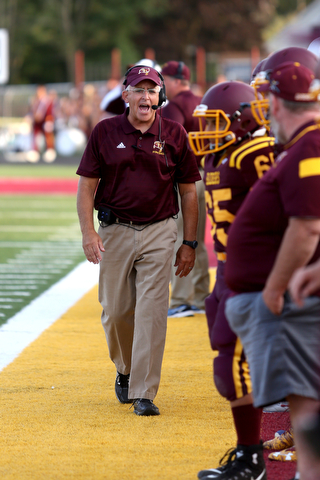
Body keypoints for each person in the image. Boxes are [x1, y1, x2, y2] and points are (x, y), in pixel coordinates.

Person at [76, 65, 201, 416]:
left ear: (160, 96)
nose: (145, 96)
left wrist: (188, 243)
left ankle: (144, 390)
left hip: (161, 230)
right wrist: (88, 232)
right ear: (126, 95)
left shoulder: (175, 133)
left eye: (152, 90)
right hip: (115, 230)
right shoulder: (105, 130)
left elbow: (188, 193)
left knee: (152, 313)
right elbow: (87, 186)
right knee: (116, 311)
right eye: (139, 89)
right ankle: (126, 368)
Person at [225, 61, 320, 480]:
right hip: (284, 291)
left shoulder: (309, 147)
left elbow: (307, 225)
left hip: (285, 297)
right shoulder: (302, 146)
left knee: (307, 402)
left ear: (277, 101)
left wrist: (273, 288)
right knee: (304, 403)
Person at [187, 80, 275, 480]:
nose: (206, 134)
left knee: (237, 365)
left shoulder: (258, 152)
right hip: (227, 268)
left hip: (255, 270)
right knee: (229, 359)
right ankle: (249, 454)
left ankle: (251, 458)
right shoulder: (221, 155)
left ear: (241, 120)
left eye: (215, 123)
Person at [161, 60, 210, 317]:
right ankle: (202, 296)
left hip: (185, 179)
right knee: (198, 240)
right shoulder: (203, 101)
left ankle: (181, 298)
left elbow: (171, 139)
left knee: (183, 238)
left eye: (165, 79)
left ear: (177, 81)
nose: (162, 84)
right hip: (206, 175)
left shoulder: (175, 106)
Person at [28, 84, 56, 163]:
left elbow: (50, 112)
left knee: (48, 135)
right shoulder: (35, 101)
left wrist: (49, 120)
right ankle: (35, 150)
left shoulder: (47, 101)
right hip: (37, 123)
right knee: (36, 136)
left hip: (46, 121)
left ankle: (49, 150)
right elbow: (33, 112)